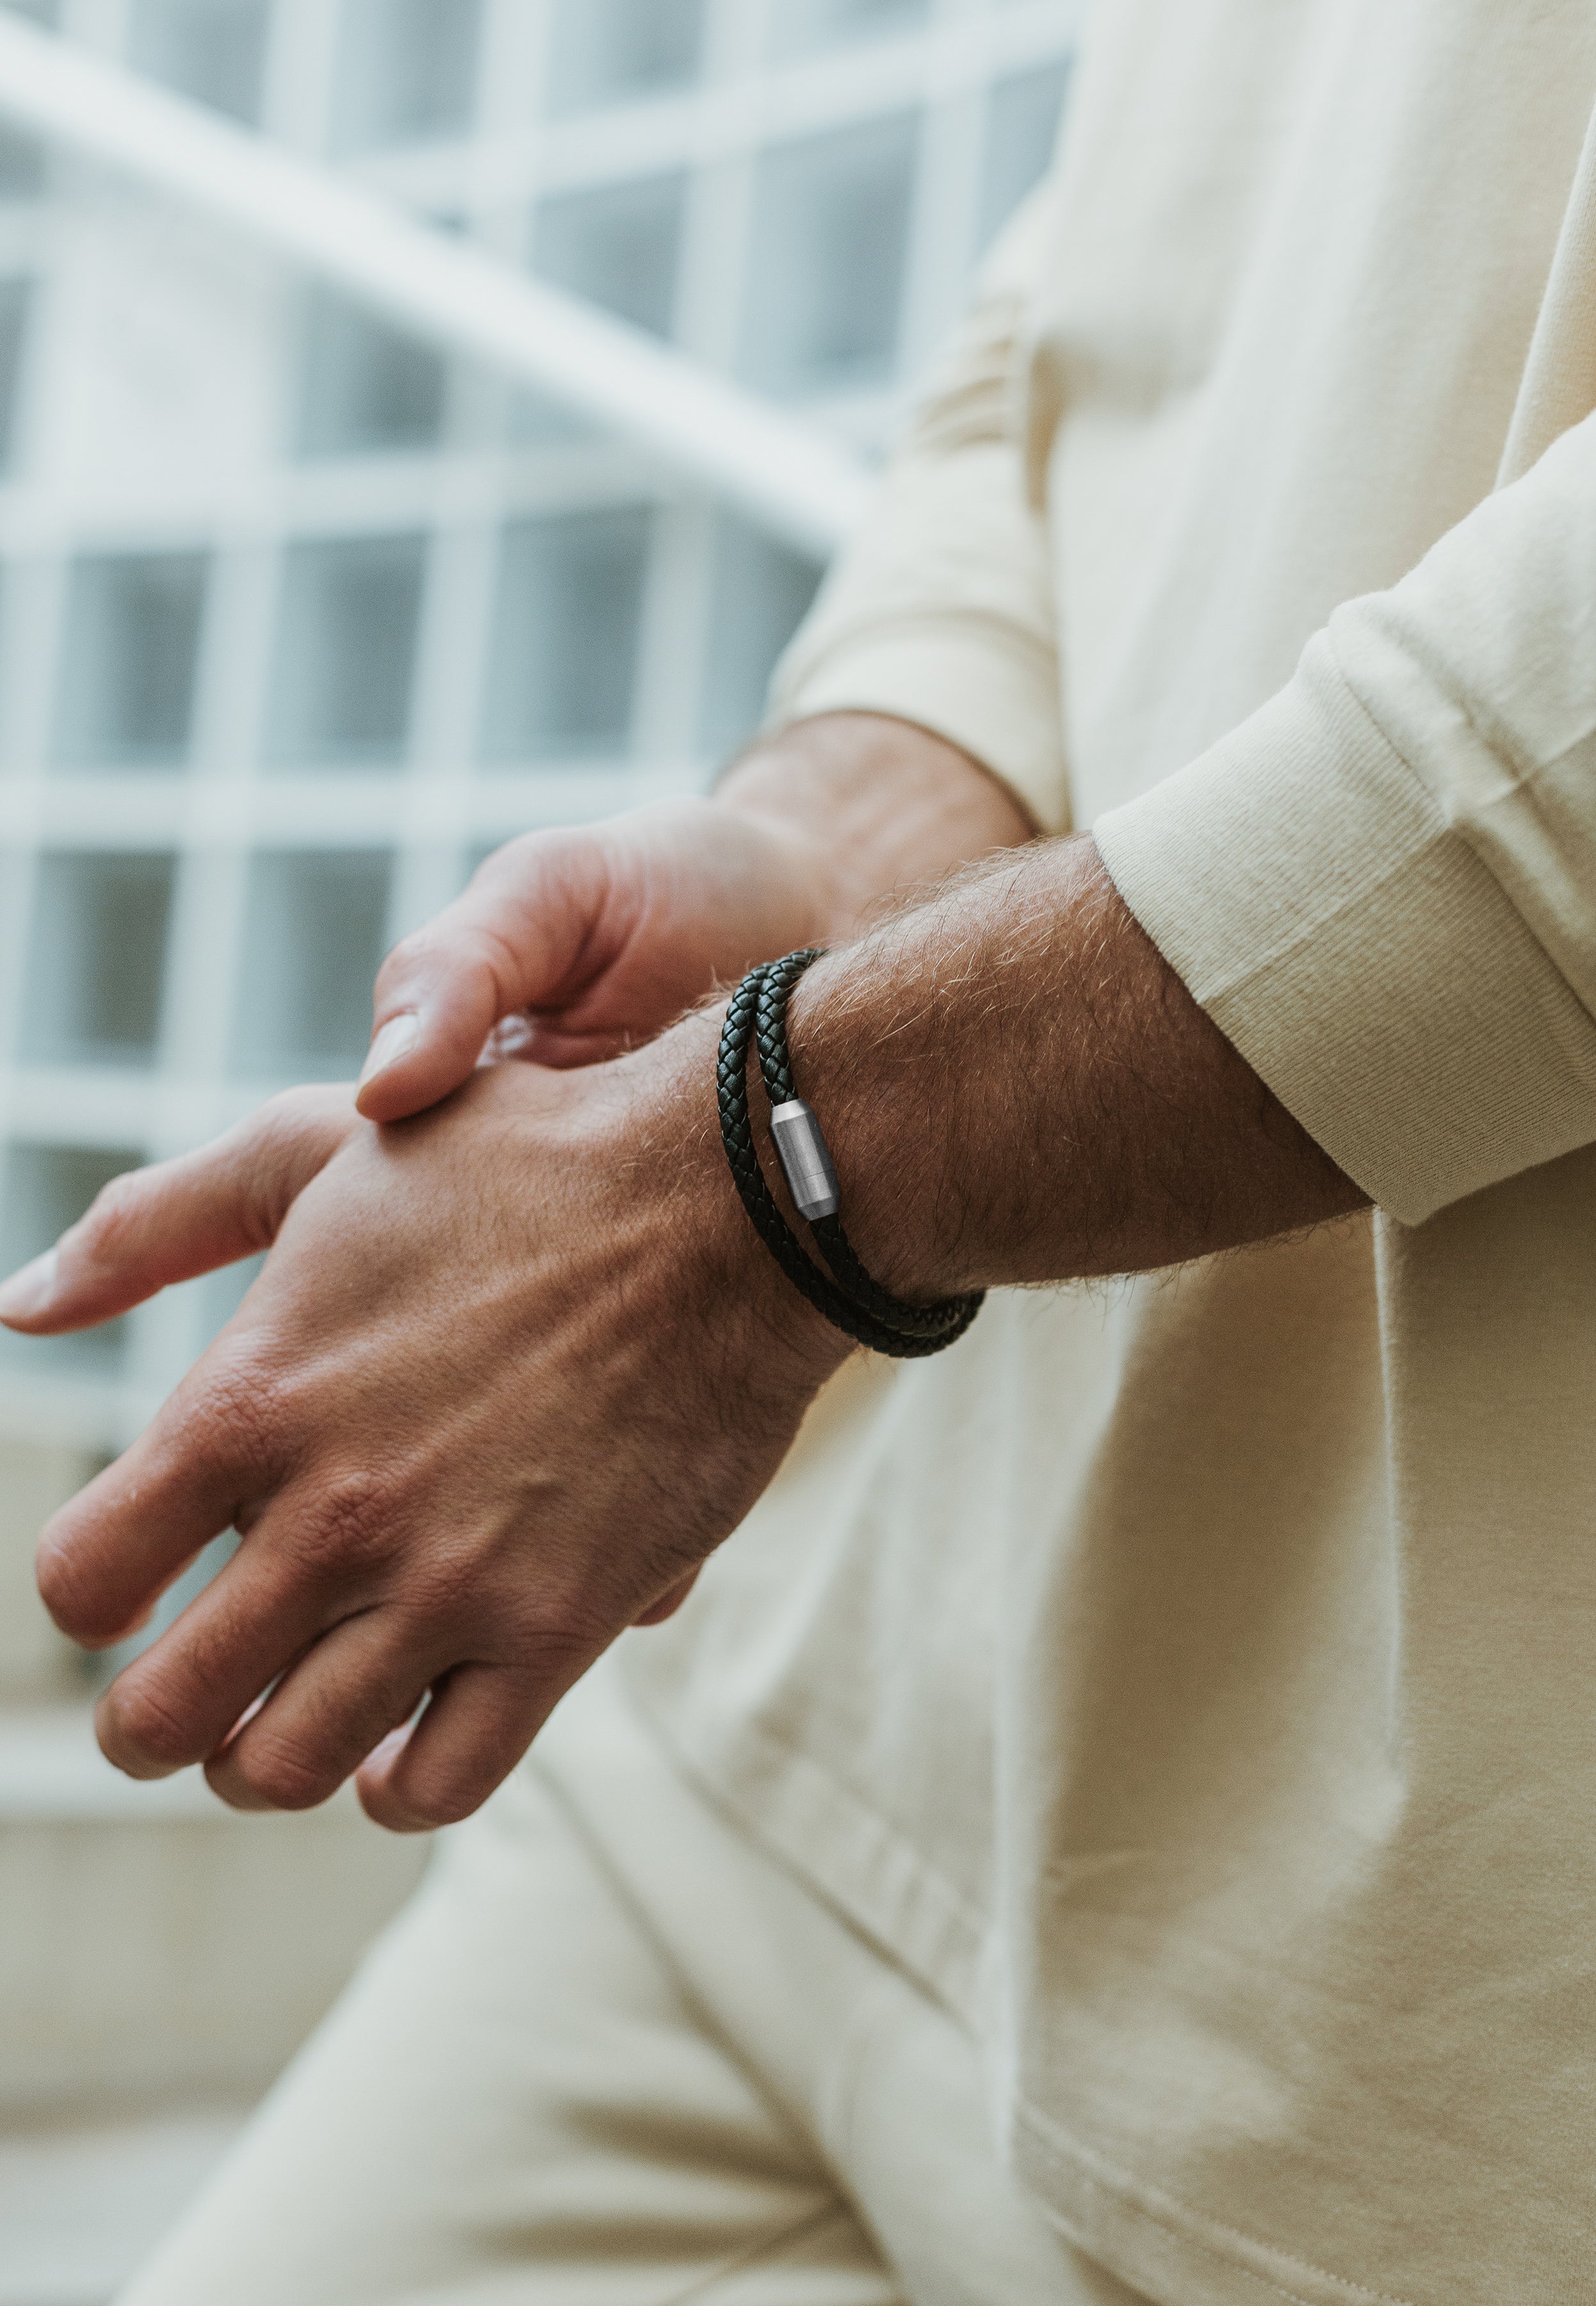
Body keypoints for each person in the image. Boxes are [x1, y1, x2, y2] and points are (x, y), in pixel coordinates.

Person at [7, 0, 1596, 2294]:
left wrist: (752, 1178)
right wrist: (853, 815)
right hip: (809, 1747)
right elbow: (1106, 290)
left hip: (1424, 2095)